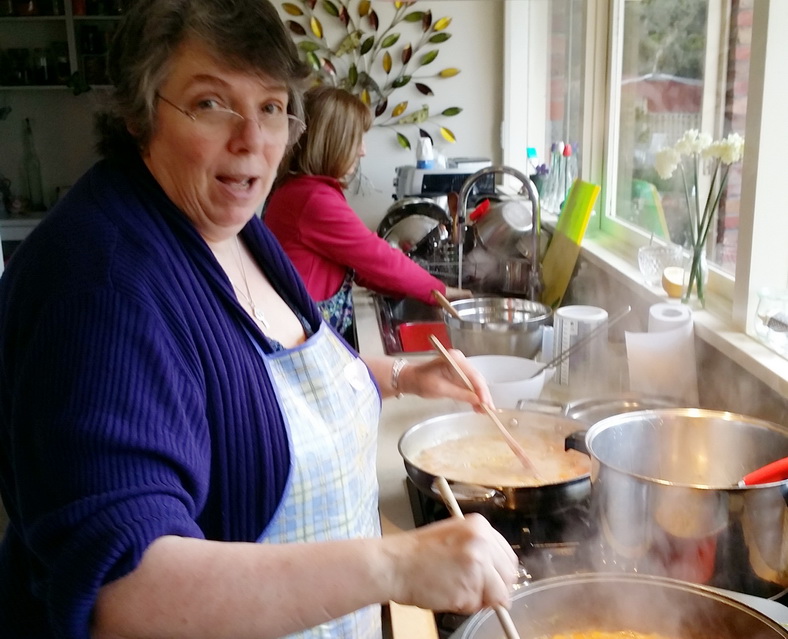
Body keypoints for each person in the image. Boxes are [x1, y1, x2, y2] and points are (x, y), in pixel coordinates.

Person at [0, 1, 518, 637]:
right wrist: (395, 564)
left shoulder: (232, 224)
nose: (252, 139)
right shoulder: (98, 286)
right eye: (212, 103)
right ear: (140, 113)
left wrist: (403, 376)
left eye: (272, 106)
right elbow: (122, 594)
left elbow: (267, 383)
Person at [265, 85, 470, 349]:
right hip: (304, 342)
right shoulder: (312, 199)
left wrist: (416, 288)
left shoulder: (301, 191)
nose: (363, 151)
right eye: (356, 139)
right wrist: (440, 292)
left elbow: (359, 263)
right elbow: (376, 257)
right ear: (332, 140)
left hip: (305, 333)